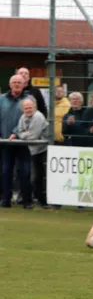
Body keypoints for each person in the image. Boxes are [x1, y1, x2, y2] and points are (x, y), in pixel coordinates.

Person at [0, 75, 33, 208]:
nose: (17, 85)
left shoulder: (29, 99)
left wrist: (15, 132)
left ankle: (27, 201)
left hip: (23, 142)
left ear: (24, 84)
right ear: (10, 84)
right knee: (6, 171)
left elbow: (31, 119)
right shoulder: (1, 100)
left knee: (25, 172)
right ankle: (5, 200)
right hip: (5, 142)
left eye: (19, 82)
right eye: (14, 82)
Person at [13, 97, 49, 208]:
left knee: (38, 177)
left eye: (30, 107)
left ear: (34, 107)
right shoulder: (23, 117)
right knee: (32, 176)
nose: (28, 110)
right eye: (26, 108)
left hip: (42, 150)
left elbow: (33, 136)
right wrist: (25, 134)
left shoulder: (38, 116)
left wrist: (25, 133)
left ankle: (43, 201)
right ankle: (38, 200)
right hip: (31, 150)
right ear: (23, 109)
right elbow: (19, 132)